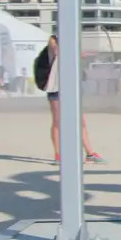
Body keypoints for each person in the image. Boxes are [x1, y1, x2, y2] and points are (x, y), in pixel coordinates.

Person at [44, 35, 104, 164]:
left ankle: (90, 153)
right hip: (56, 87)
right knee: (57, 121)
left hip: (71, 88)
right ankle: (58, 155)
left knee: (81, 121)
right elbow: (56, 50)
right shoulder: (54, 40)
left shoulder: (71, 44)